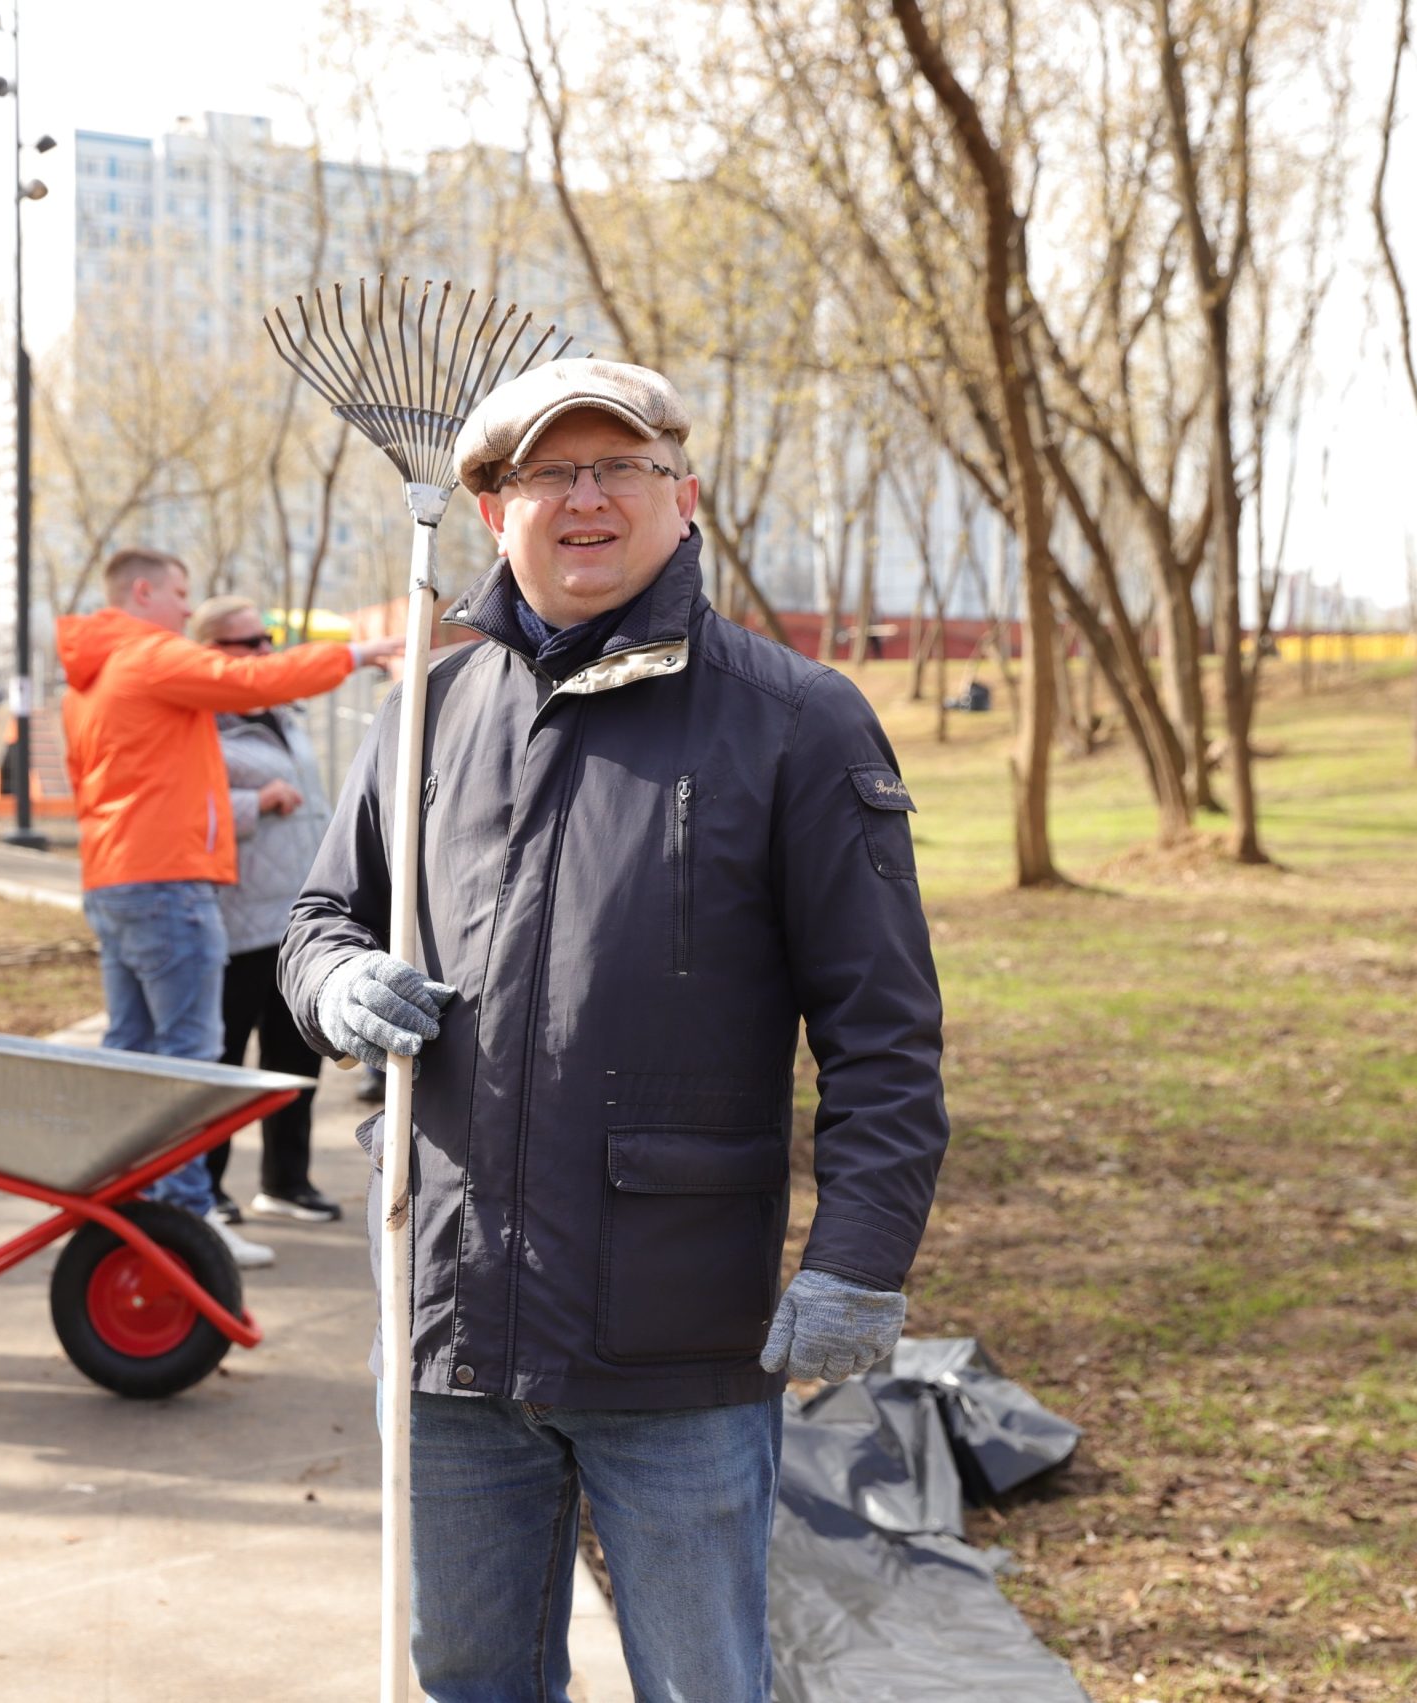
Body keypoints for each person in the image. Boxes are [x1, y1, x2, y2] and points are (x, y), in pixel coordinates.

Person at [279, 359, 949, 1699]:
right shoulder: (428, 710)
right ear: (490, 510)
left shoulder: (796, 723)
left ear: (681, 496)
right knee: (470, 1671)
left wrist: (859, 1258)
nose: (585, 499)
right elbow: (318, 915)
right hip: (452, 1316)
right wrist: (336, 977)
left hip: (680, 1335)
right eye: (547, 474)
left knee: (705, 1679)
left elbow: (883, 1036)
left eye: (620, 468)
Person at [57, 548, 402, 1270]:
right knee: (191, 1057)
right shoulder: (147, 654)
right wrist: (359, 653)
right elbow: (247, 679)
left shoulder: (94, 674)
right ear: (143, 592)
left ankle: (122, 1196)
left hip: (115, 876)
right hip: (166, 881)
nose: (186, 609)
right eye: (180, 593)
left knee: (134, 1045)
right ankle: (187, 1216)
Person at [187, 595, 341, 1225]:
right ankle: (207, 1189)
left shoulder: (286, 714)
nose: (265, 653)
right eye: (248, 644)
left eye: (267, 640)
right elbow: (189, 811)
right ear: (210, 656)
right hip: (234, 922)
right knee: (223, 1064)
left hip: (293, 921)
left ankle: (286, 1180)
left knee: (295, 1057)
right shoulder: (196, 726)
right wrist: (258, 805)